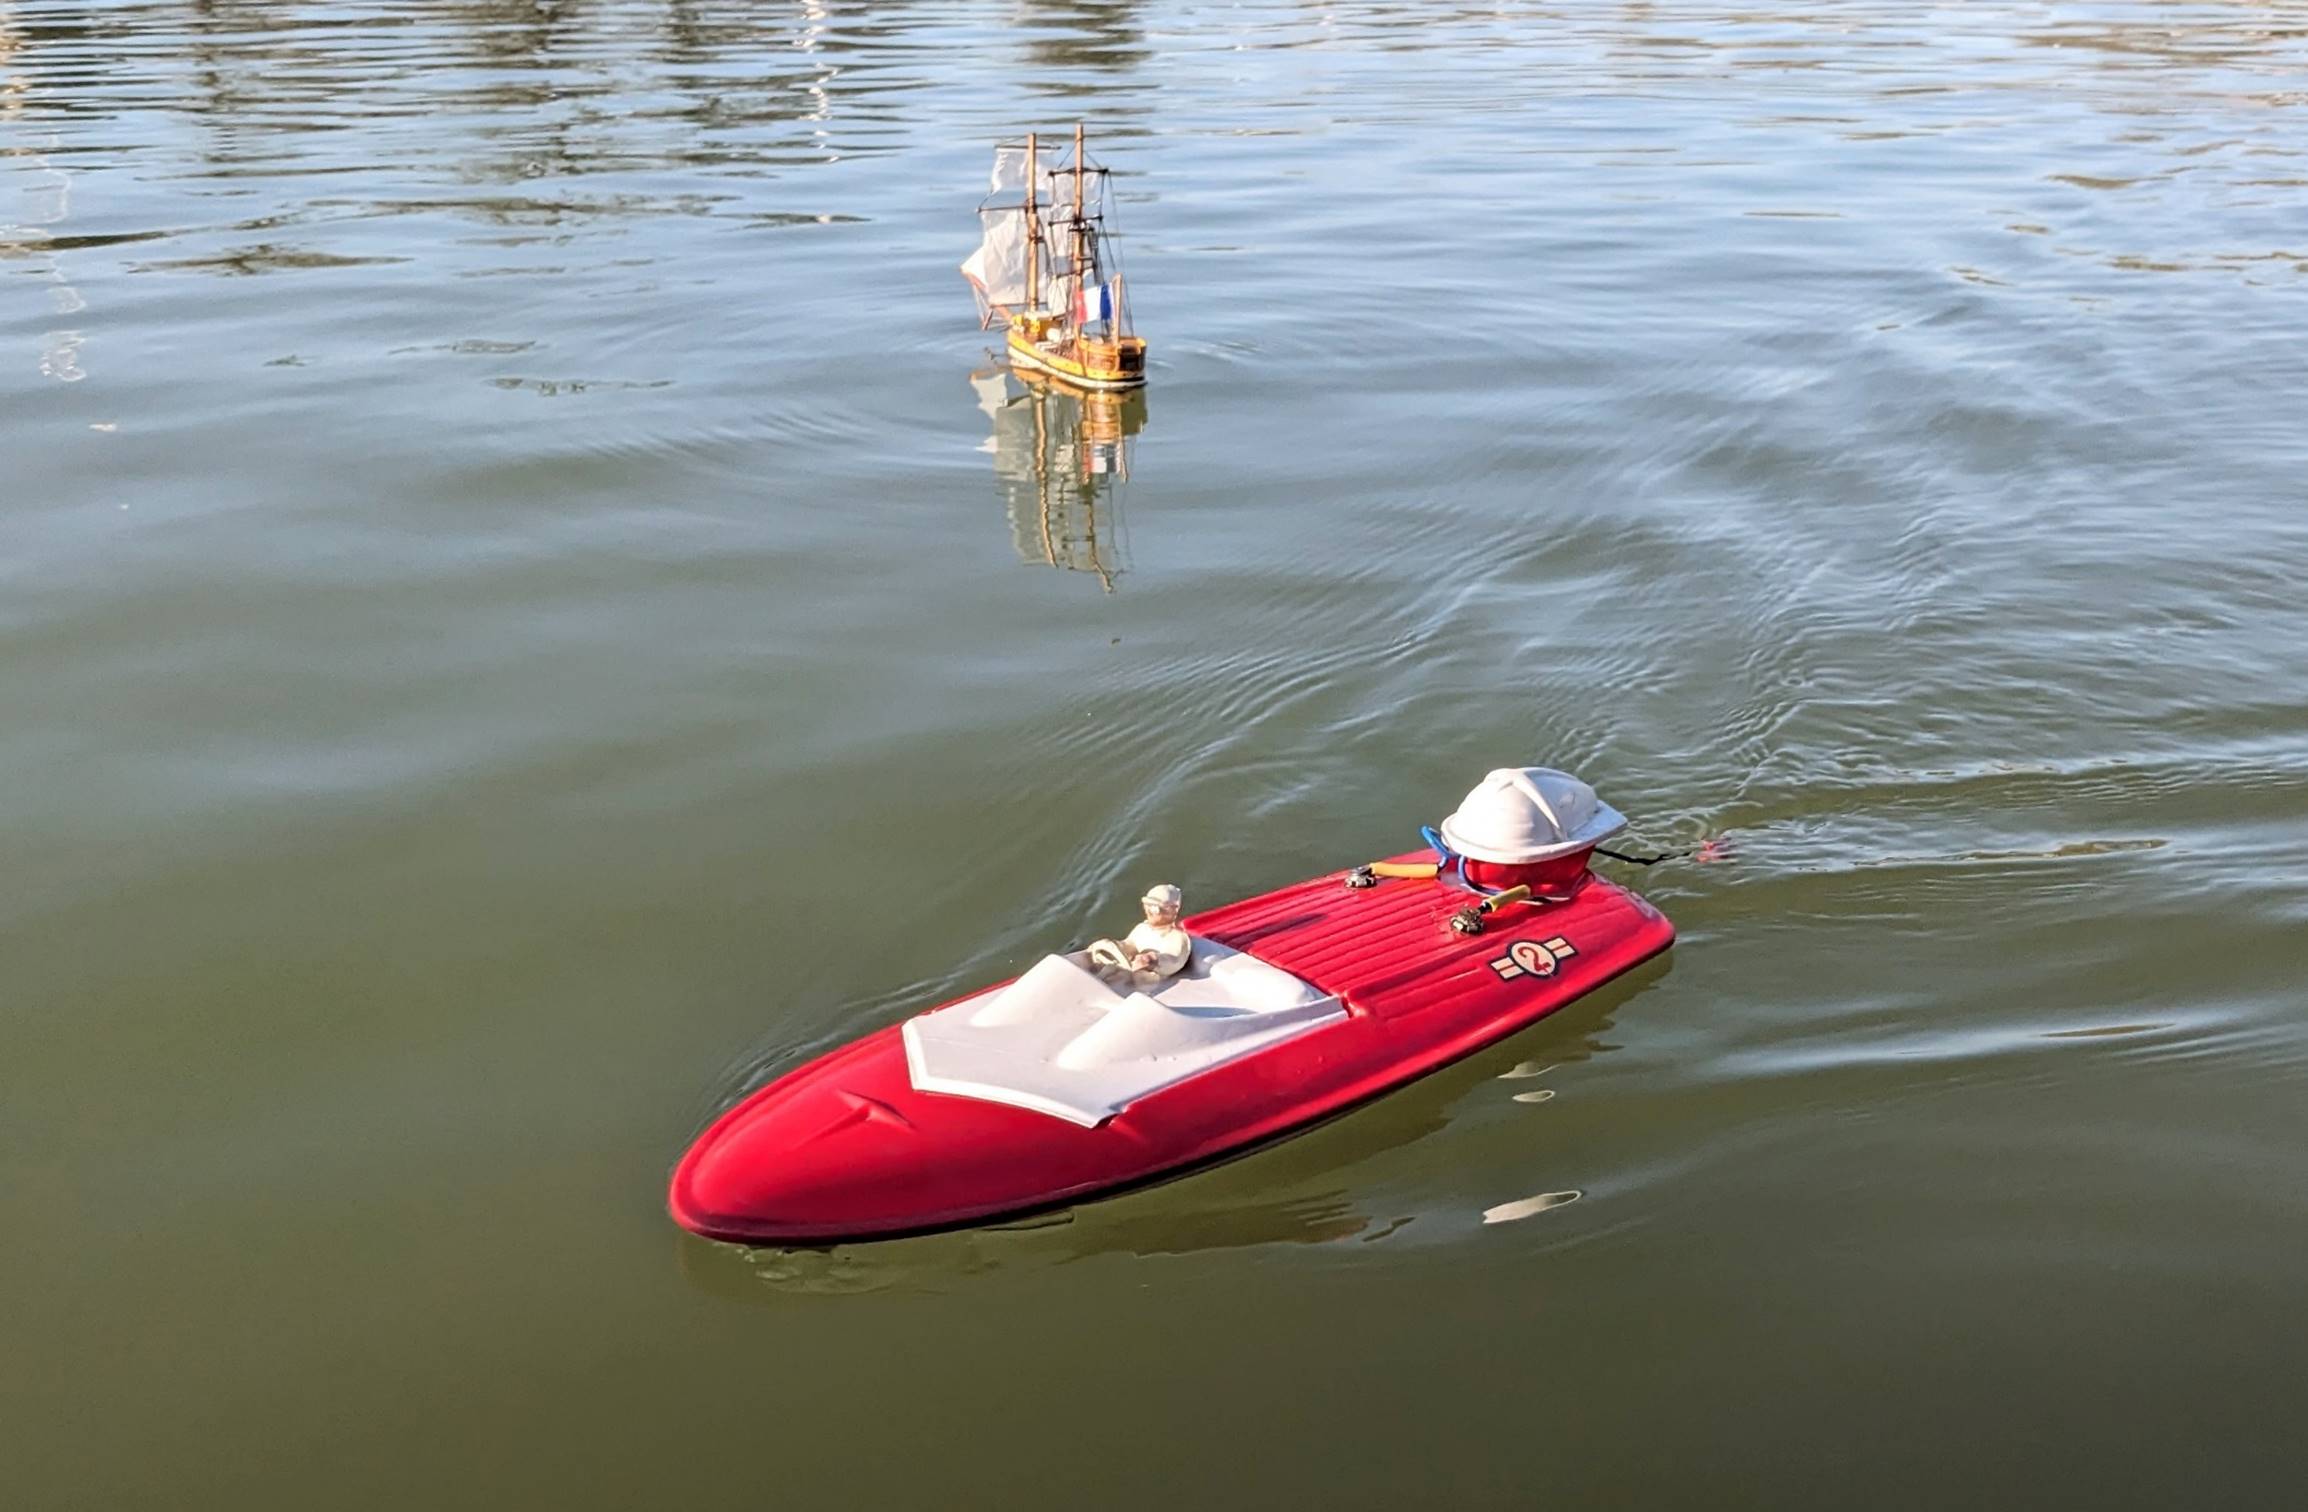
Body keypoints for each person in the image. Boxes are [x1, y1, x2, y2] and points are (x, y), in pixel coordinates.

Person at [1085, 884, 1192, 988]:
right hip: (1126, 977)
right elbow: (1130, 944)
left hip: (1151, 987)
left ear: (1174, 910)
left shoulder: (1177, 937)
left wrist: (1152, 960)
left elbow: (1174, 961)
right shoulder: (1142, 928)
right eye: (1149, 905)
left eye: (1159, 908)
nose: (1152, 911)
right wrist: (1116, 946)